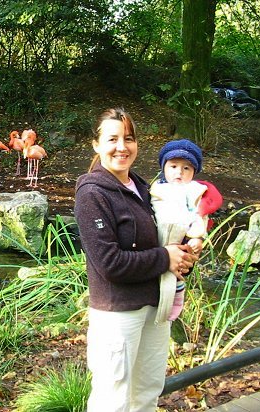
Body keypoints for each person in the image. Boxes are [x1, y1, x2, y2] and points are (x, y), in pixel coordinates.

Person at [74, 108, 198, 412]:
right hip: (118, 314)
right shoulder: (92, 194)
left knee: (147, 391)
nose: (122, 146)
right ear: (96, 144)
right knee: (113, 398)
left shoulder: (146, 189)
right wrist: (165, 258)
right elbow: (110, 263)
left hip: (156, 308)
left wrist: (184, 255)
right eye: (112, 139)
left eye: (128, 139)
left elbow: (164, 242)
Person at [151, 139, 223, 321]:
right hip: (158, 236)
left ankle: (176, 299)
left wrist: (197, 237)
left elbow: (201, 216)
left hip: (182, 236)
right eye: (173, 166)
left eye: (186, 168)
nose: (179, 173)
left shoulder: (194, 191)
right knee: (158, 271)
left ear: (194, 172)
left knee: (180, 271)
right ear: (164, 167)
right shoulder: (156, 188)